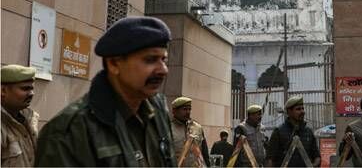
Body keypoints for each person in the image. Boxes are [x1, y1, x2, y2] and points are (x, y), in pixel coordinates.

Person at [35, 16, 177, 167]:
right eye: (150, 59)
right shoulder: (69, 133)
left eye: (164, 60)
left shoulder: (157, 111)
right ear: (114, 63)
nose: (163, 70)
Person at [266, 96, 320, 167]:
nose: (302, 112)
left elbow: (317, 156)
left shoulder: (308, 132)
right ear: (289, 112)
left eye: (302, 108)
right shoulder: (278, 132)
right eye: (298, 109)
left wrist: (313, 165)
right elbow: (270, 159)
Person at [1, 64, 39, 167]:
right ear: (3, 91)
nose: (31, 93)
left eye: (32, 89)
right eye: (25, 89)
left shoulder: (29, 119)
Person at [170, 96, 210, 167]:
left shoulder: (197, 127)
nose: (188, 112)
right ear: (174, 111)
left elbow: (204, 153)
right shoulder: (168, 128)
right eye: (184, 109)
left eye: (189, 109)